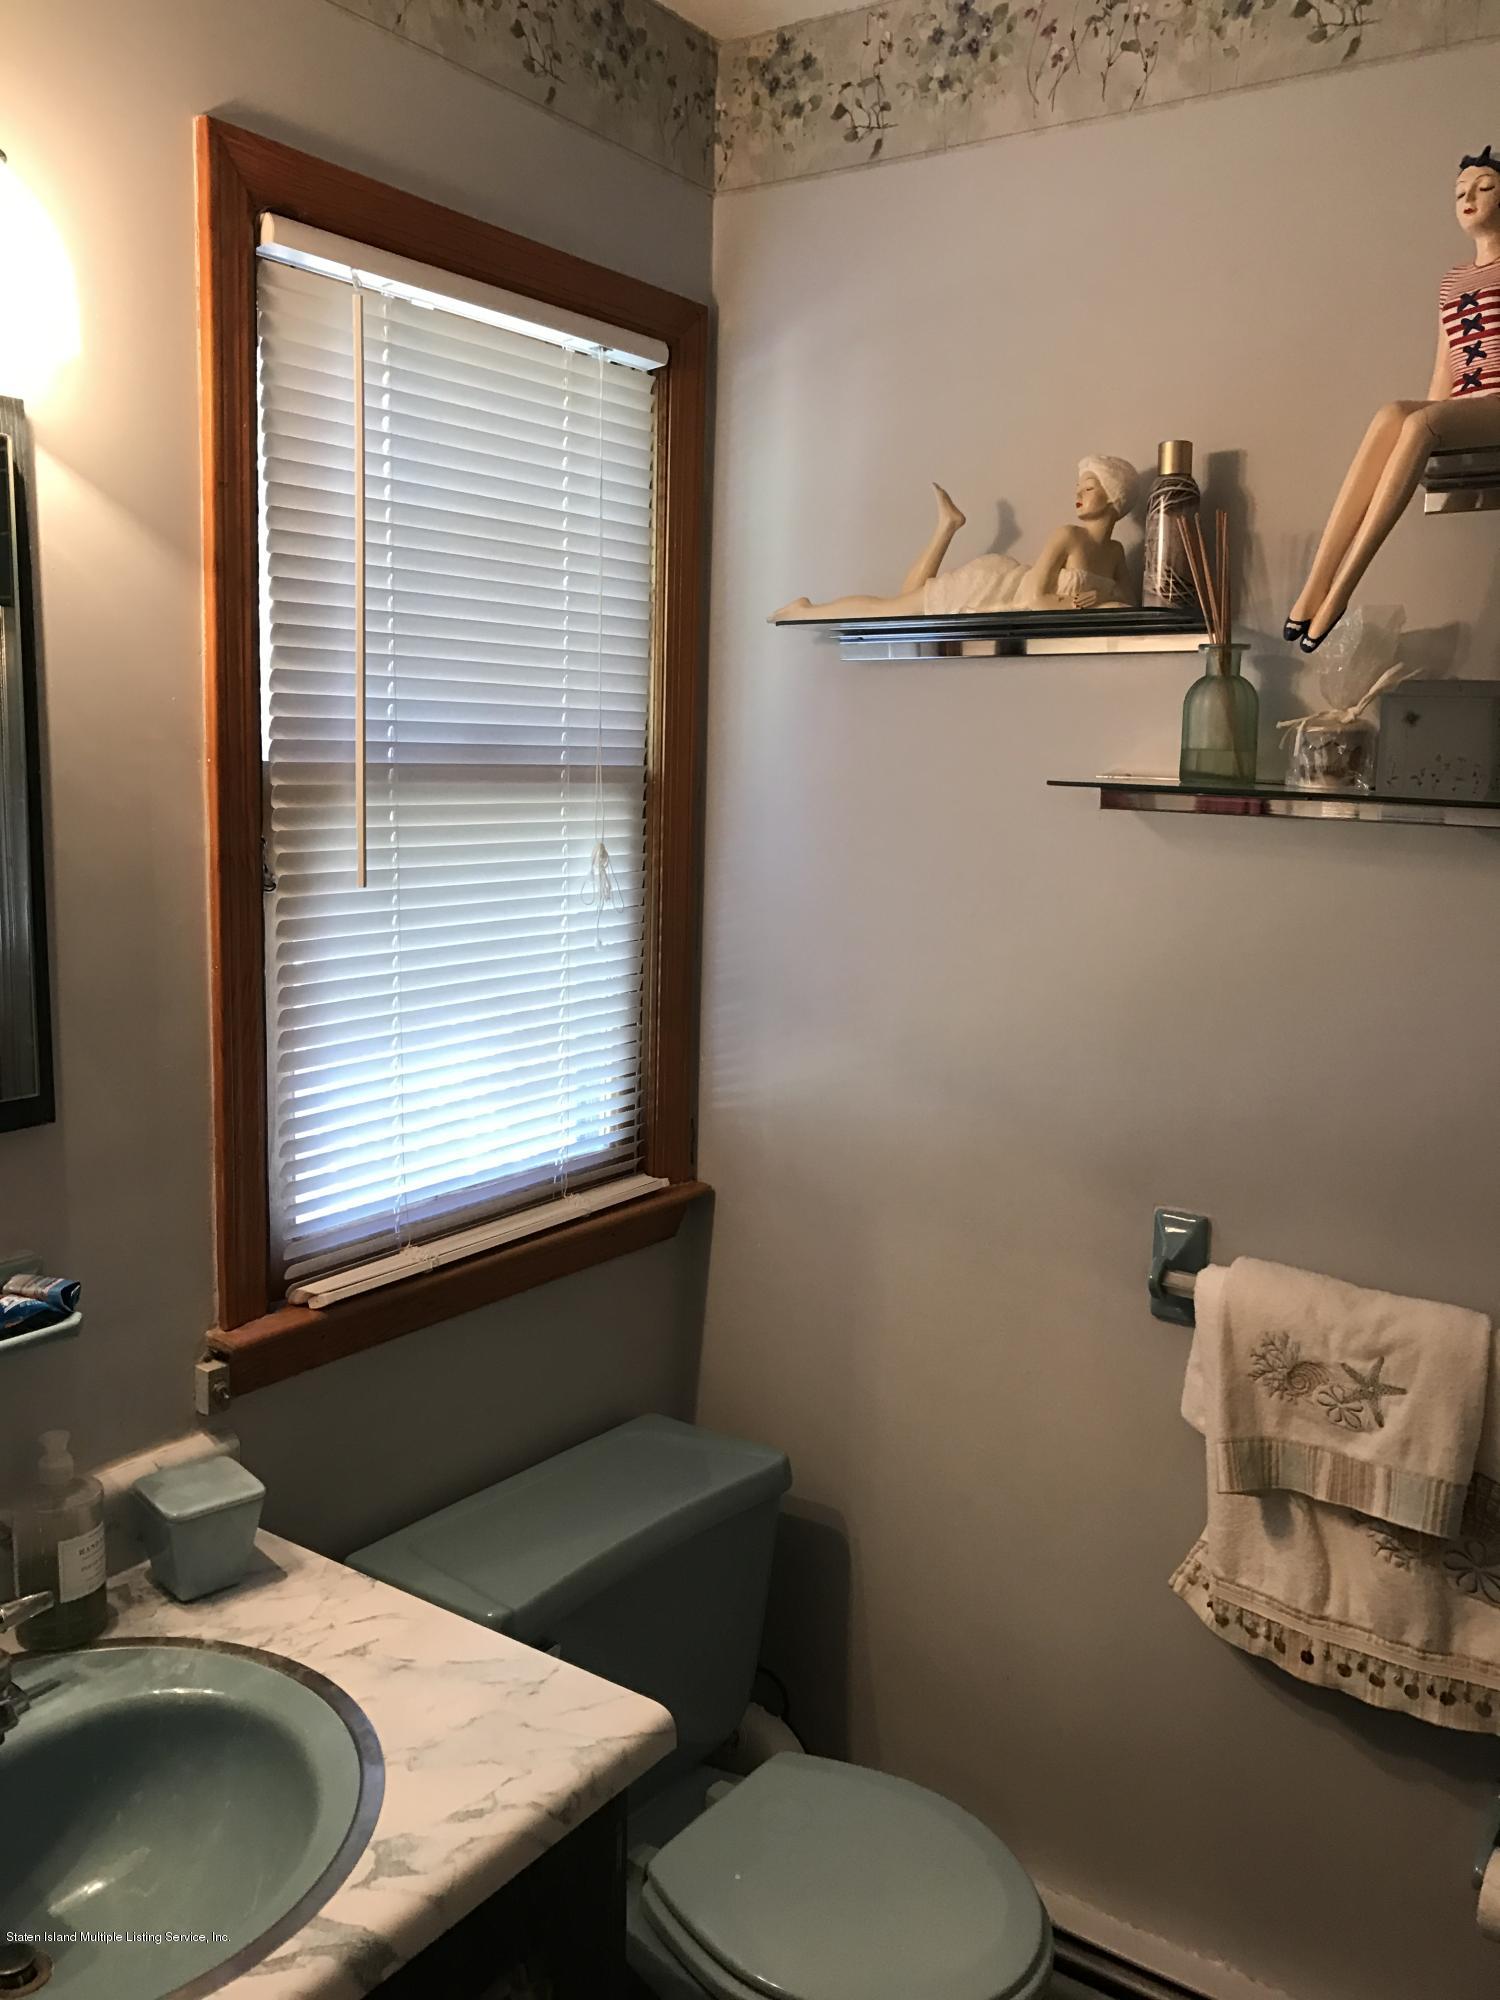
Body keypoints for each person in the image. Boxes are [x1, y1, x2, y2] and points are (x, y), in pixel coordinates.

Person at [1287, 146, 1500, 653]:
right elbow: (1444, 365)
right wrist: (1425, 425)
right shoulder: (1452, 280)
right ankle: (1316, 582)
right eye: (1460, 192)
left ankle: (1340, 592)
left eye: (1484, 188)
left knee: (1420, 426)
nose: (1469, 198)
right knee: (1394, 415)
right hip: (1467, 403)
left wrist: (1427, 429)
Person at [771, 456, 1140, 621]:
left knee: (903, 605)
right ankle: (808, 610)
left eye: (1089, 487)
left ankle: (948, 525)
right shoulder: (1069, 536)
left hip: (1004, 590)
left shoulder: (1115, 551)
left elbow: (1127, 602)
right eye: (1078, 487)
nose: (1078, 493)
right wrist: (1079, 605)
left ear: (1113, 496)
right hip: (995, 584)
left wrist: (1100, 599)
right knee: (890, 611)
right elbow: (1034, 598)